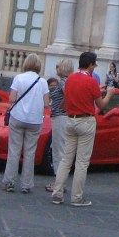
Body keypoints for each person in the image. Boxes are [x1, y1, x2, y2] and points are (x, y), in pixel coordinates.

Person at [50, 51, 114, 207]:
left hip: (70, 120)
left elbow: (67, 100)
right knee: (81, 162)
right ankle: (76, 197)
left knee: (66, 159)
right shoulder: (91, 81)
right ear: (90, 65)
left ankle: (57, 193)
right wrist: (109, 94)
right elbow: (101, 105)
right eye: (94, 65)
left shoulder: (70, 79)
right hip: (85, 121)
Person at [2, 54, 50, 193]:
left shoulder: (19, 78)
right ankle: (26, 185)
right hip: (34, 120)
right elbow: (46, 104)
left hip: (18, 117)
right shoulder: (43, 82)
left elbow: (12, 99)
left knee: (14, 151)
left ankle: (9, 182)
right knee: (30, 152)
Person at [45, 58, 73, 190]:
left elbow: (68, 96)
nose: (56, 69)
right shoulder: (68, 81)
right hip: (63, 117)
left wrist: (62, 106)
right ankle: (60, 182)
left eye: (58, 66)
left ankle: (59, 183)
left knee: (58, 150)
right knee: (61, 149)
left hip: (60, 117)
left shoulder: (63, 82)